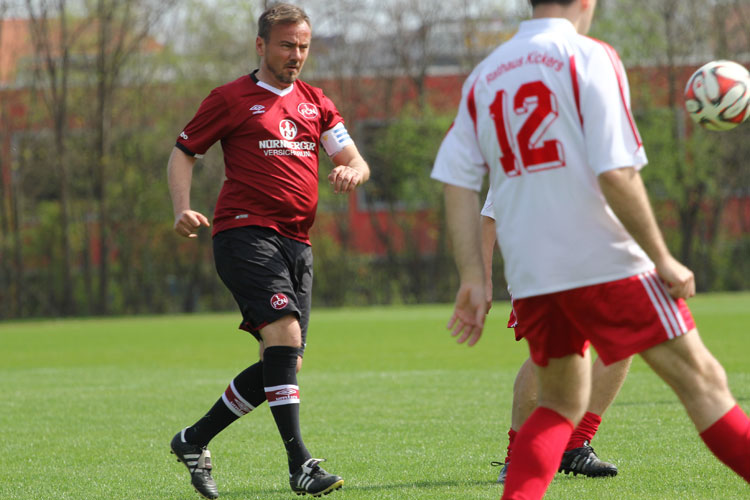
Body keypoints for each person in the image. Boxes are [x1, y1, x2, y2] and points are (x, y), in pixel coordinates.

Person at [431, 1, 750, 499]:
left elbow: (455, 179)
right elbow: (617, 173)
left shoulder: (486, 73)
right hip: (604, 260)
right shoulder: (588, 56)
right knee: (705, 382)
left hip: (534, 272)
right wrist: (662, 257)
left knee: (558, 404)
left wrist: (472, 274)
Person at [166, 4, 370, 499]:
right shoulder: (231, 98)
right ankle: (300, 464)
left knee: (284, 361)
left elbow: (354, 158)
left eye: (302, 46)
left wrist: (351, 171)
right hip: (244, 233)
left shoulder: (316, 103)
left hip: (298, 243)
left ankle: (193, 440)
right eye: (286, 45)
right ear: (261, 46)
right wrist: (182, 208)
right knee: (284, 333)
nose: (295, 54)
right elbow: (184, 152)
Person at [481, 202, 627, 484]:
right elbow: (490, 218)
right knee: (551, 351)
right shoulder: (515, 157)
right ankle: (520, 456)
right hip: (536, 271)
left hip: (591, 262)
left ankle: (575, 443)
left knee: (625, 334)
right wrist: (481, 278)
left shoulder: (592, 157)